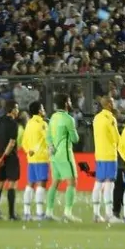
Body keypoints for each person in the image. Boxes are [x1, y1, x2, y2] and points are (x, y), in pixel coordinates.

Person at [46, 93, 81, 222]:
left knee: (55, 182)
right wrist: (75, 130)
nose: (71, 103)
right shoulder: (68, 119)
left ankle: (48, 212)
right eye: (69, 101)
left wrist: (51, 146)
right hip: (65, 155)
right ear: (66, 103)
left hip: (54, 156)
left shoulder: (53, 117)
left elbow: (48, 136)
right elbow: (75, 139)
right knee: (72, 182)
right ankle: (67, 213)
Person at [92, 96, 121, 223]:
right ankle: (109, 214)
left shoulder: (97, 118)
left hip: (99, 154)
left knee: (98, 183)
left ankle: (96, 214)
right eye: (113, 102)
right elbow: (116, 138)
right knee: (109, 184)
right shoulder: (110, 118)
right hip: (109, 154)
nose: (114, 104)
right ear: (109, 104)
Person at [21, 101, 49, 221]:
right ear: (39, 111)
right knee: (41, 183)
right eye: (42, 108)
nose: (44, 110)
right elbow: (48, 139)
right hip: (42, 157)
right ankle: (40, 213)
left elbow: (24, 142)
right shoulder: (42, 124)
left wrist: (29, 151)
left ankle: (26, 212)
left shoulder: (29, 124)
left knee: (30, 184)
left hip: (31, 158)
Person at [0, 100, 21, 221]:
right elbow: (12, 143)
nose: (18, 111)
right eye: (17, 108)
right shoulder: (14, 124)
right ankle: (11, 214)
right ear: (12, 110)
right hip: (10, 157)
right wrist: (4, 157)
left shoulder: (0, 122)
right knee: (12, 183)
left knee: (0, 183)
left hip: (0, 156)